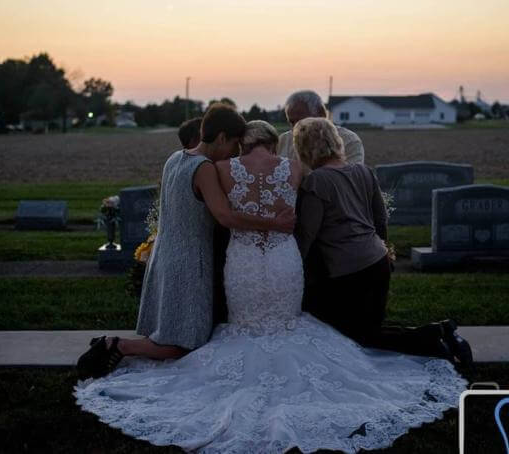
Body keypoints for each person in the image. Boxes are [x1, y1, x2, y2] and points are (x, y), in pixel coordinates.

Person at [75, 119, 467, 453]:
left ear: (242, 141)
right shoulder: (295, 170)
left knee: (247, 327)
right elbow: (314, 208)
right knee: (286, 325)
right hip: (283, 260)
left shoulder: (223, 169)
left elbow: (222, 217)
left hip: (244, 261)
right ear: (272, 141)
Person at [76, 104, 295, 378]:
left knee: (172, 332)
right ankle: (119, 345)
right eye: (235, 145)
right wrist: (274, 223)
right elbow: (225, 216)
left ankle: (121, 345)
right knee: (186, 345)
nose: (235, 154)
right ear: (222, 137)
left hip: (166, 254)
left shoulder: (175, 158)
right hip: (190, 262)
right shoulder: (204, 168)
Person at [293, 117, 473, 365]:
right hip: (376, 262)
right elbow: (381, 219)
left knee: (360, 335)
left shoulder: (316, 181)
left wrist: (292, 268)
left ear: (304, 148)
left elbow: (307, 234)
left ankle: (435, 340)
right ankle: (441, 332)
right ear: (335, 141)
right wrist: (386, 252)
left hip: (347, 270)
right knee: (370, 328)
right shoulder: (364, 172)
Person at [277, 90, 364, 169]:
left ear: (321, 114)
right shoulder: (283, 141)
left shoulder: (349, 140)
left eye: (302, 121)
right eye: (292, 122)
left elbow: (350, 179)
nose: (296, 127)